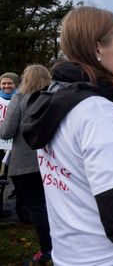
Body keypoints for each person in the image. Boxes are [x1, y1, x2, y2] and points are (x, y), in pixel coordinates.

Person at [22, 6, 113, 266]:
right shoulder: (99, 113)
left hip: (71, 256)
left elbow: (73, 171)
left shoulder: (56, 102)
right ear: (97, 49)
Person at [0, 64, 53, 264]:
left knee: (37, 208)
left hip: (26, 164)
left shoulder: (19, 98)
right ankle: (60, 245)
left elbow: (6, 132)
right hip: (51, 161)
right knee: (51, 206)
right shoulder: (53, 99)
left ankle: (47, 250)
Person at [0, 71, 30, 223]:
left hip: (16, 146)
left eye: (9, 83)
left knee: (16, 180)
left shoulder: (21, 98)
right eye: (4, 83)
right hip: (0, 144)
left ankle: (22, 211)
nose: (6, 86)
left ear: (15, 84)